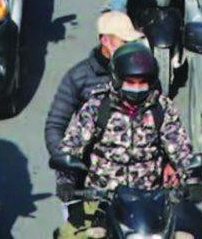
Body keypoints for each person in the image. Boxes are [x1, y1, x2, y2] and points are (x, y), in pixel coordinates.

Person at [55, 45, 201, 212]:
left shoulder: (161, 107)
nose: (137, 88)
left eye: (142, 83)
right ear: (117, 80)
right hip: (102, 199)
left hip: (149, 200)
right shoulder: (97, 106)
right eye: (130, 82)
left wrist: (193, 180)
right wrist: (65, 180)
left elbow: (179, 146)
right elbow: (71, 146)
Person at [46, 10, 144, 194]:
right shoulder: (79, 77)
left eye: (133, 43)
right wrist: (67, 172)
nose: (131, 48)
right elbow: (55, 125)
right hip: (92, 184)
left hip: (139, 184)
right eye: (125, 42)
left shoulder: (143, 75)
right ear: (105, 41)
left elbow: (161, 121)